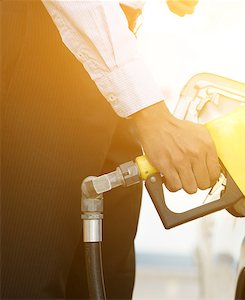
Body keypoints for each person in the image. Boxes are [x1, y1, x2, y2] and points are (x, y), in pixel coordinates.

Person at [1, 0, 220, 298]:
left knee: (105, 280)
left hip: (107, 54)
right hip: (46, 48)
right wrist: (150, 114)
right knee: (25, 280)